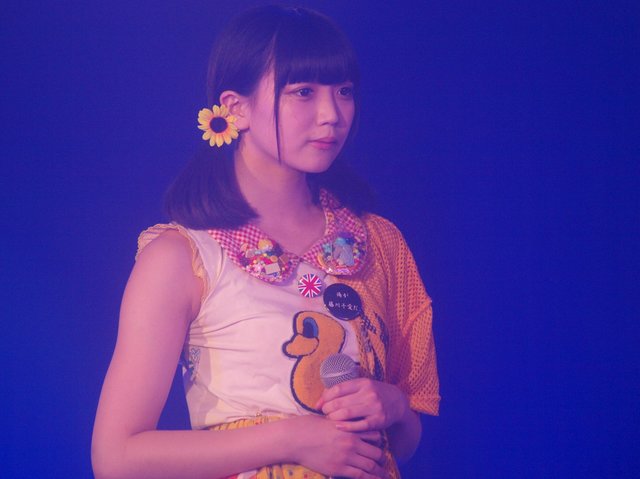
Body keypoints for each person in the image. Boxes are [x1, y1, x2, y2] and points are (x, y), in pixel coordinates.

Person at [92, 5, 439, 479]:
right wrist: (291, 439)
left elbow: (406, 442)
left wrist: (394, 405)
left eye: (343, 91)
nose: (332, 115)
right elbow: (116, 458)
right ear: (236, 108)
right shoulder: (180, 256)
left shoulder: (379, 242)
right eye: (303, 92)